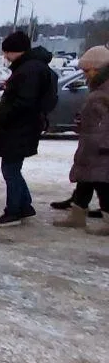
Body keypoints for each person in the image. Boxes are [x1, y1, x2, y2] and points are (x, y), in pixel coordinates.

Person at [0, 31, 56, 227]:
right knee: (12, 169)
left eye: (7, 52)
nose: (5, 56)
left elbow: (24, 101)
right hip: (22, 128)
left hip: (19, 129)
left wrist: (6, 116)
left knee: (10, 170)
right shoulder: (31, 67)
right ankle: (24, 206)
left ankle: (14, 211)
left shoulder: (29, 70)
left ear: (17, 51)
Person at [53, 45, 109, 235]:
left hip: (101, 147)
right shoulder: (99, 88)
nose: (84, 75)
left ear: (98, 69)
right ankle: (77, 216)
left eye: (87, 70)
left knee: (102, 184)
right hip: (91, 143)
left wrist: (103, 144)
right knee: (85, 180)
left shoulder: (105, 90)